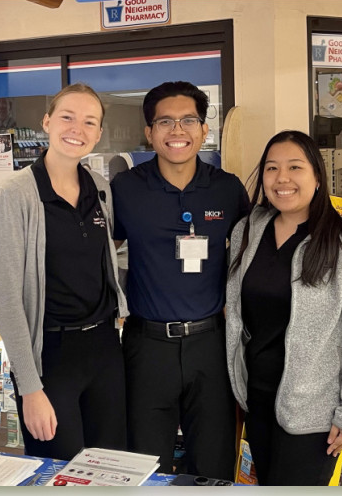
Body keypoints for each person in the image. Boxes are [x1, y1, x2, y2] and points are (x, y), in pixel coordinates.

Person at [225, 130, 342, 486]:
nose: (282, 179)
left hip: (315, 412)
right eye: (272, 168)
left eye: (295, 167)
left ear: (316, 177)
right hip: (258, 401)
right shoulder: (246, 232)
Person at [111, 81, 249, 480]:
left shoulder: (226, 189)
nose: (178, 130)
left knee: (214, 463)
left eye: (189, 120)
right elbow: (97, 250)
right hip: (146, 346)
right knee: (145, 465)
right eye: (165, 121)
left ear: (204, 130)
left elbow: (257, 248)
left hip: (212, 345)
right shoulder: (126, 189)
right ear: (149, 132)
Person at [0, 83, 129, 461]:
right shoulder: (15, 194)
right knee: (59, 473)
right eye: (67, 117)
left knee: (110, 469)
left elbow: (109, 257)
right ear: (47, 122)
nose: (76, 129)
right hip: (50, 357)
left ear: (98, 133)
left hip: (103, 350)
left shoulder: (99, 188)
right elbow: (6, 299)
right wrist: (30, 388)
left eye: (89, 122)